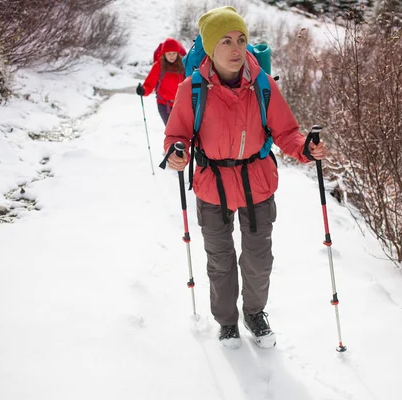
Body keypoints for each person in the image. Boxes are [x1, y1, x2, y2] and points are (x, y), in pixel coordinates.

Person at [162, 6, 328, 349]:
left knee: (258, 259)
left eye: (241, 39)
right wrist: (178, 154)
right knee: (220, 262)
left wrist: (305, 149)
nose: (236, 48)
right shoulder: (192, 90)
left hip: (257, 184)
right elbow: (177, 135)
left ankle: (254, 313)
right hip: (212, 186)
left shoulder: (262, 85)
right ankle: (226, 322)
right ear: (210, 47)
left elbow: (286, 132)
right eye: (226, 41)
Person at [136, 38, 186, 125]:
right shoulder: (158, 66)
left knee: (183, 132)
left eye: (174, 53)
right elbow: (149, 83)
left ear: (178, 53)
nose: (171, 56)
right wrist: (143, 90)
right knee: (171, 132)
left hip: (181, 104)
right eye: (169, 53)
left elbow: (189, 82)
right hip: (164, 105)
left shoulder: (183, 65)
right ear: (164, 54)